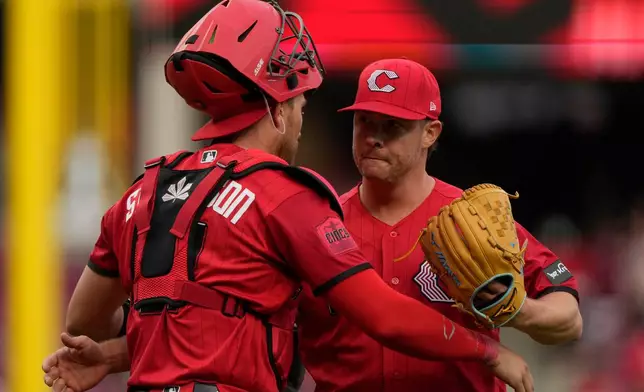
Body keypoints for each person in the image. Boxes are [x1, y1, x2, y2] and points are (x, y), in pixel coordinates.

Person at [42, 2, 534, 392]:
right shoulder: (285, 195)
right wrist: (490, 352)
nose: (299, 117)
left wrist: (114, 353)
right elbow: (383, 316)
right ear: (276, 110)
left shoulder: (141, 192)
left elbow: (85, 321)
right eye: (298, 102)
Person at [296, 58, 583, 392]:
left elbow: (569, 319)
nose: (374, 137)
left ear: (430, 133)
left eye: (392, 125)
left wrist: (513, 310)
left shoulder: (473, 221)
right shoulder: (322, 225)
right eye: (365, 122)